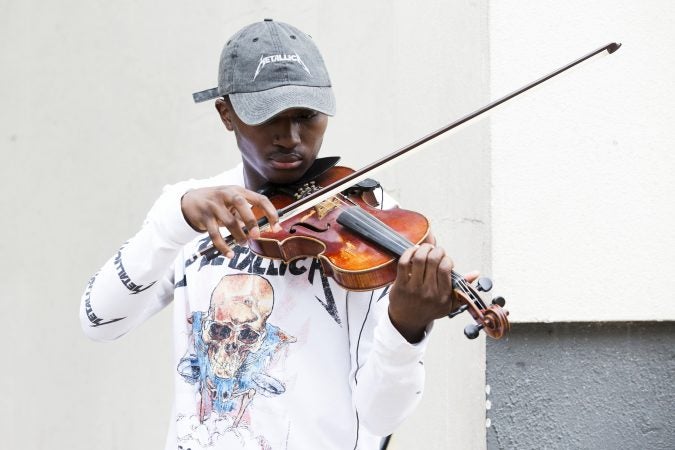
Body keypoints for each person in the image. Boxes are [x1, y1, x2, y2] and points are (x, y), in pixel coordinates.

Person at [80, 19, 474, 450]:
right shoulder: (191, 212)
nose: (290, 138)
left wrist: (407, 327)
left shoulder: (373, 231)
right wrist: (173, 221)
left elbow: (381, 415)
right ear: (226, 113)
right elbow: (99, 320)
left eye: (306, 117)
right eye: (268, 117)